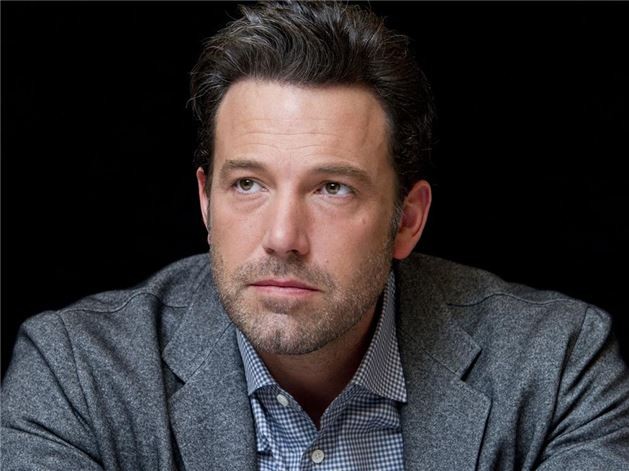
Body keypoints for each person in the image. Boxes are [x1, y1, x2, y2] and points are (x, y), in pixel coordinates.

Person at [2, 2, 628, 470]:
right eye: (248, 183)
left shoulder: (557, 366)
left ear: (407, 219)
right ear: (205, 201)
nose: (282, 238)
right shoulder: (77, 375)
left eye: (333, 188)